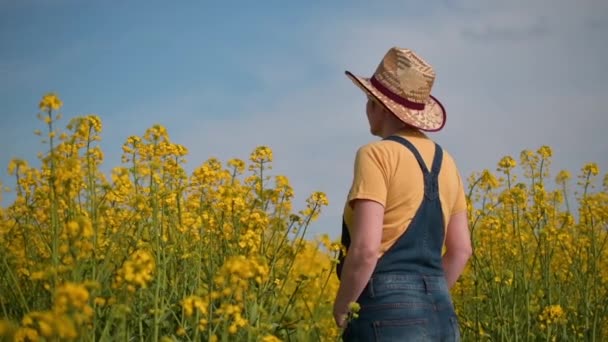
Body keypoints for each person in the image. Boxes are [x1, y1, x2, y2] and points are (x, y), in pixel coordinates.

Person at [334, 47, 472, 341]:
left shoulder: (376, 155)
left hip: (384, 311)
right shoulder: (448, 162)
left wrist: (344, 307)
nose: (366, 109)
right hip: (441, 314)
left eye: (368, 101)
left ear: (381, 107)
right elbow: (461, 251)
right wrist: (427, 298)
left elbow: (366, 249)